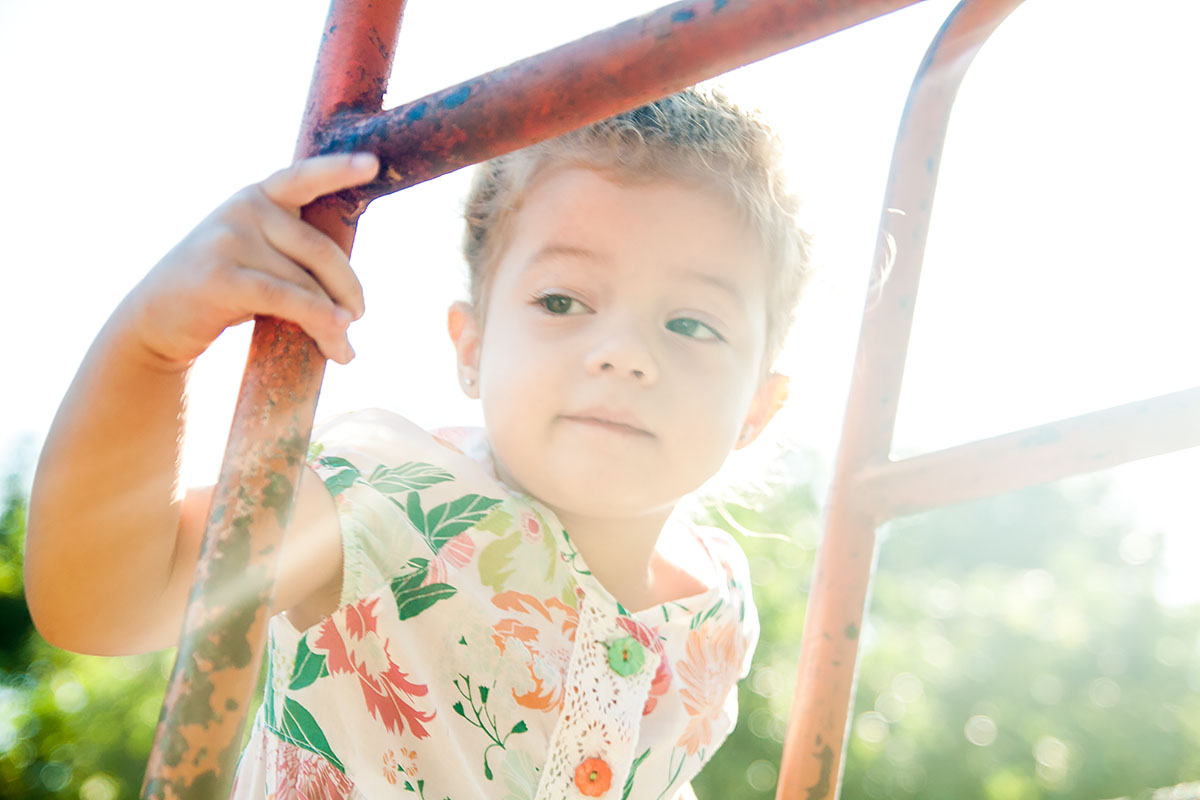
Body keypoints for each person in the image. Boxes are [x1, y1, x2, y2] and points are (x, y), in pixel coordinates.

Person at [25, 87, 810, 798]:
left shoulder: (718, 608)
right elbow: (107, 602)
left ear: (757, 409)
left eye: (692, 323)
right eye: (562, 301)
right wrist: (153, 347)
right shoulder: (388, 504)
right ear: (472, 348)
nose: (624, 352)